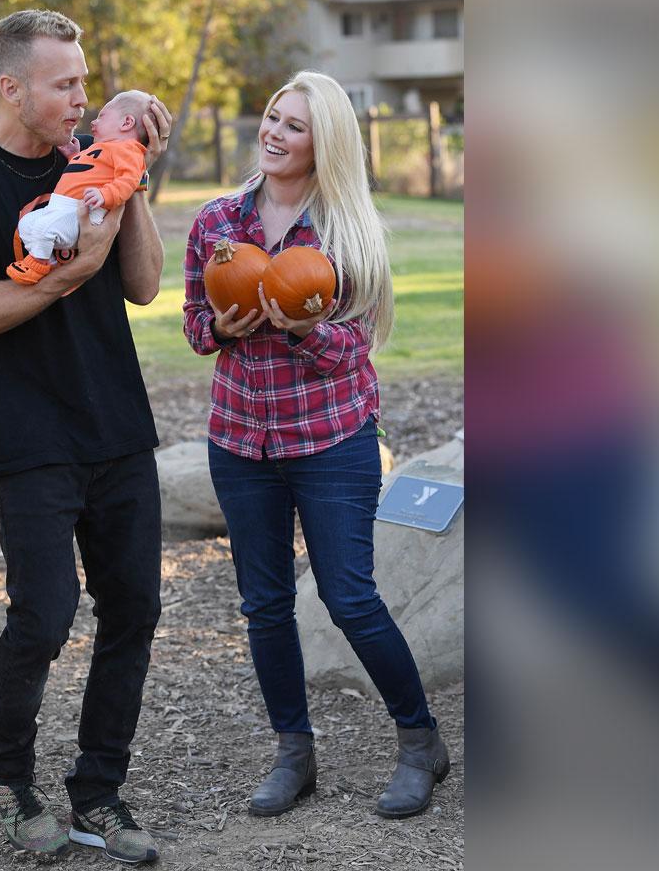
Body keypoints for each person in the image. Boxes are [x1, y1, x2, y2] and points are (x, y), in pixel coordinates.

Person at [0, 9, 172, 865]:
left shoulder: (87, 160)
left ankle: (99, 788)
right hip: (25, 434)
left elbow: (142, 284)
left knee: (134, 606)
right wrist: (72, 274)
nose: (80, 98)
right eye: (64, 84)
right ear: (11, 87)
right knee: (46, 612)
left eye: (86, 82)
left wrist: (121, 166)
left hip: (117, 424)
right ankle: (8, 771)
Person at [182, 71, 449, 820]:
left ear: (322, 142)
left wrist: (303, 327)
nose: (273, 132)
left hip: (331, 440)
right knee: (264, 605)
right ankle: (293, 753)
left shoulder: (346, 231)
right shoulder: (217, 222)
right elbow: (196, 324)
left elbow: (355, 350)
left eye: (294, 126)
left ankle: (419, 740)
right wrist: (221, 329)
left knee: (349, 597)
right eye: (272, 117)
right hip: (239, 441)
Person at [7, 90, 154, 284]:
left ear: (126, 123)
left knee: (44, 229)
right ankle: (49, 260)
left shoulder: (128, 150)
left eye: (102, 116)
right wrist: (74, 157)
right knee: (27, 224)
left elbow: (128, 180)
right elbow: (87, 172)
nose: (94, 122)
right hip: (59, 207)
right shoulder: (98, 148)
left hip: (82, 212)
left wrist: (105, 194)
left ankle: (37, 264)